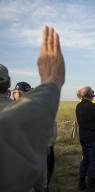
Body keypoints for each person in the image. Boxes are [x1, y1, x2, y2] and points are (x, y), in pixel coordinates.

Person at [0, 26, 65, 191]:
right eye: (17, 92)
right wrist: (52, 82)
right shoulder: (25, 113)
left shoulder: (22, 110)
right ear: (8, 85)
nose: (18, 95)